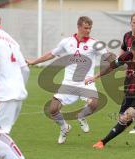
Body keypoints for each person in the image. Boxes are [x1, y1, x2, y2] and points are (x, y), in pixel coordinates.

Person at [27, 16, 109, 144]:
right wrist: (33, 61)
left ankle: (81, 116)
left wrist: (113, 63)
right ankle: (64, 127)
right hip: (68, 83)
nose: (88, 30)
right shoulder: (66, 42)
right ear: (79, 27)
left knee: (93, 104)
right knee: (53, 109)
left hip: (86, 82)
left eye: (90, 28)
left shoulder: (94, 44)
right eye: (86, 28)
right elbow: (51, 54)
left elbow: (108, 57)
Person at [85, 38, 135, 149]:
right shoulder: (125, 57)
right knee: (122, 120)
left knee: (126, 117)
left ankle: (102, 142)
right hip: (129, 93)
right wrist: (95, 77)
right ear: (132, 51)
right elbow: (111, 67)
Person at [0, 9, 29, 159]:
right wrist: (18, 88)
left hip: (1, 93)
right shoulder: (11, 40)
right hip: (16, 93)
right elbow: (25, 69)